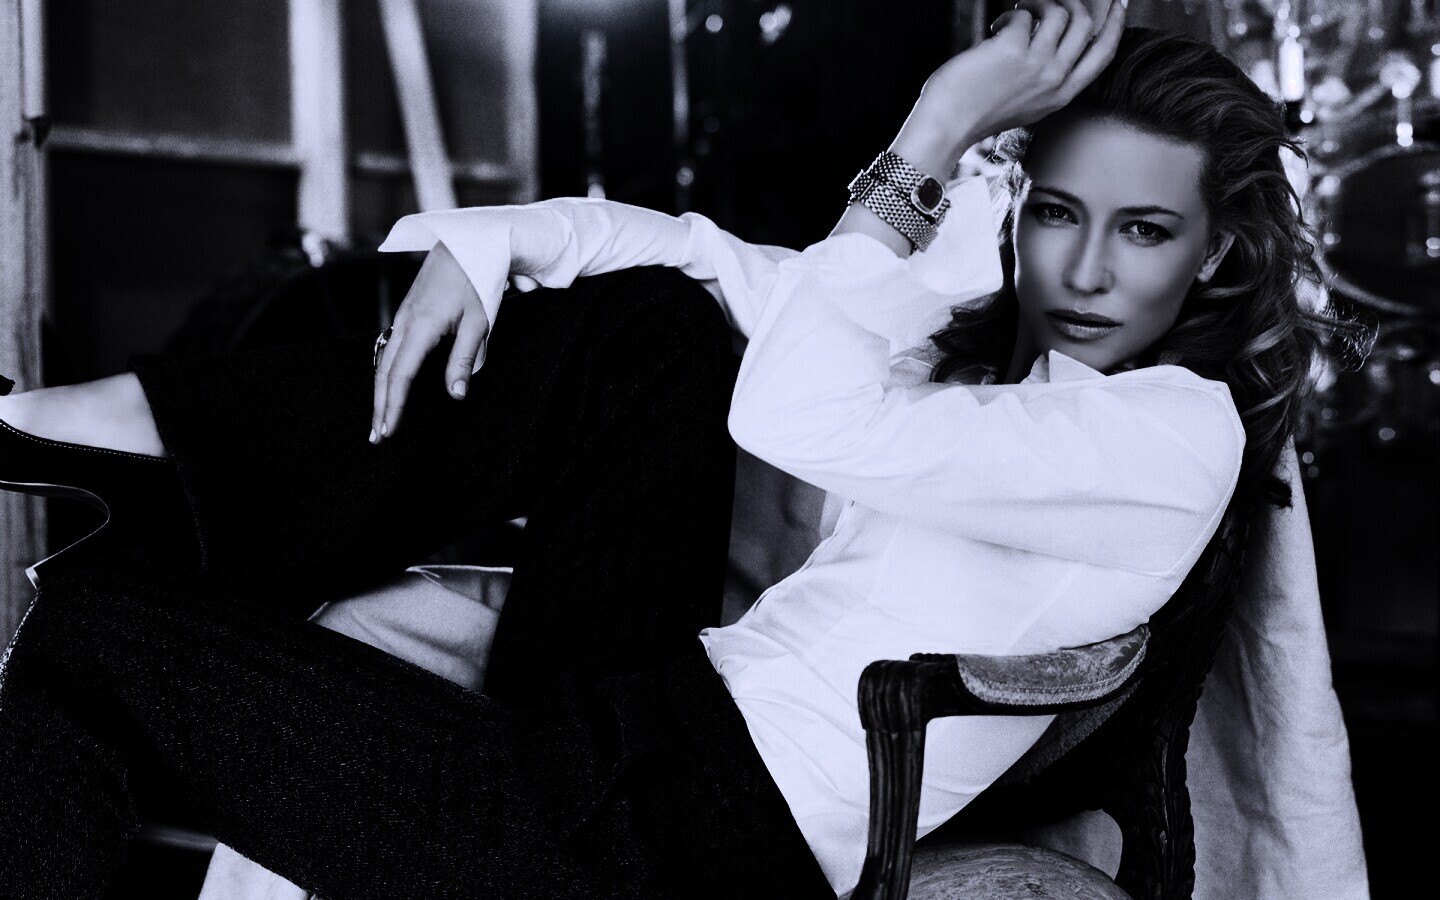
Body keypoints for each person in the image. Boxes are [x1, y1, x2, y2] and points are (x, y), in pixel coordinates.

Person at [0, 2, 1353, 897]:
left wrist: (932, 131)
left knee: (96, 636)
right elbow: (724, 274)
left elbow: (792, 412)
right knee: (658, 329)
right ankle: (160, 441)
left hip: (678, 856)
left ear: (1217, 251)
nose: (1088, 268)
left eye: (1144, 230)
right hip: (641, 730)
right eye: (1059, 211)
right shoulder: (998, 351)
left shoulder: (1168, 436)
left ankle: (168, 468)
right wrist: (491, 243)